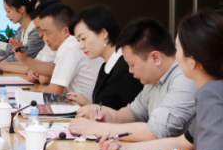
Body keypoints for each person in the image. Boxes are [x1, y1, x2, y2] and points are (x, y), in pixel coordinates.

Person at [99, 9, 223, 150]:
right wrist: (125, 149)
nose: (174, 55)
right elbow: (182, 144)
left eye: (178, 49)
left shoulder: (211, 93)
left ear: (192, 61)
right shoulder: (214, 89)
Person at [69, 17, 197, 142]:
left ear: (155, 58)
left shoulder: (185, 79)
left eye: (132, 65)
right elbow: (134, 113)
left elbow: (155, 132)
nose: (130, 71)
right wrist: (110, 116)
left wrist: (96, 128)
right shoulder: (153, 79)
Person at [14, 3, 103, 99]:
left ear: (65, 31)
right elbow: (53, 69)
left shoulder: (69, 47)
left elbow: (54, 92)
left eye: (47, 33)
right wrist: (25, 59)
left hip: (83, 106)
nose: (44, 38)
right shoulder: (70, 43)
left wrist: (41, 91)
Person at [65, 5, 142, 110]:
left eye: (83, 38)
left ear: (103, 33)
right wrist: (87, 103)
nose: (80, 46)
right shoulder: (106, 65)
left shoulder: (126, 67)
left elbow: (135, 114)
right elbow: (108, 106)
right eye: (79, 41)